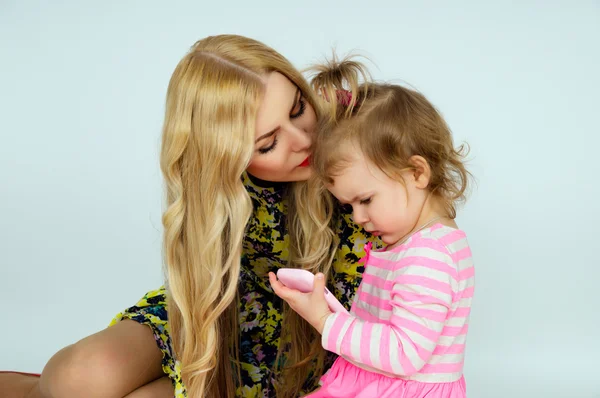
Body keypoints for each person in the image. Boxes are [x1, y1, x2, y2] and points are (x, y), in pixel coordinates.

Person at [1, 35, 379, 398]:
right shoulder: (218, 185)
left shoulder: (362, 129)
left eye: (298, 108)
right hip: (222, 321)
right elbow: (205, 299)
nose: (303, 140)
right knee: (77, 377)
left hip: (324, 344)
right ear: (227, 156)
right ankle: (31, 391)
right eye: (268, 143)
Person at [270, 58, 475, 397]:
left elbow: (405, 354)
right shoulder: (418, 242)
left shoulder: (428, 255)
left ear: (417, 173)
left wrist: (326, 321)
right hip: (376, 380)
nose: (357, 217)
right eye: (348, 205)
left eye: (365, 200)